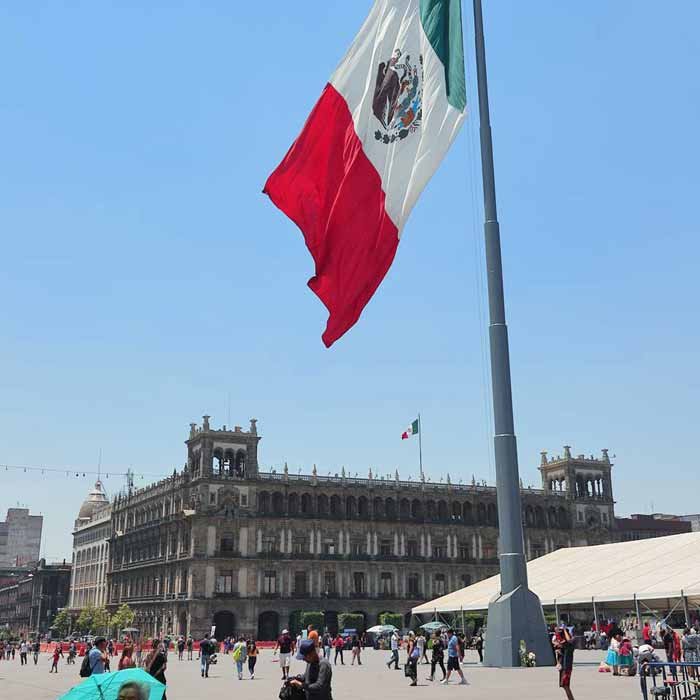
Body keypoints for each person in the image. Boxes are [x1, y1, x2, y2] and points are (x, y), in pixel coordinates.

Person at [553, 625, 575, 700]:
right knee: (565, 686)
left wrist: (565, 630)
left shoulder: (569, 645)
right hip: (563, 668)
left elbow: (568, 640)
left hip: (567, 668)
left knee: (566, 686)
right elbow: (555, 642)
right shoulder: (562, 646)